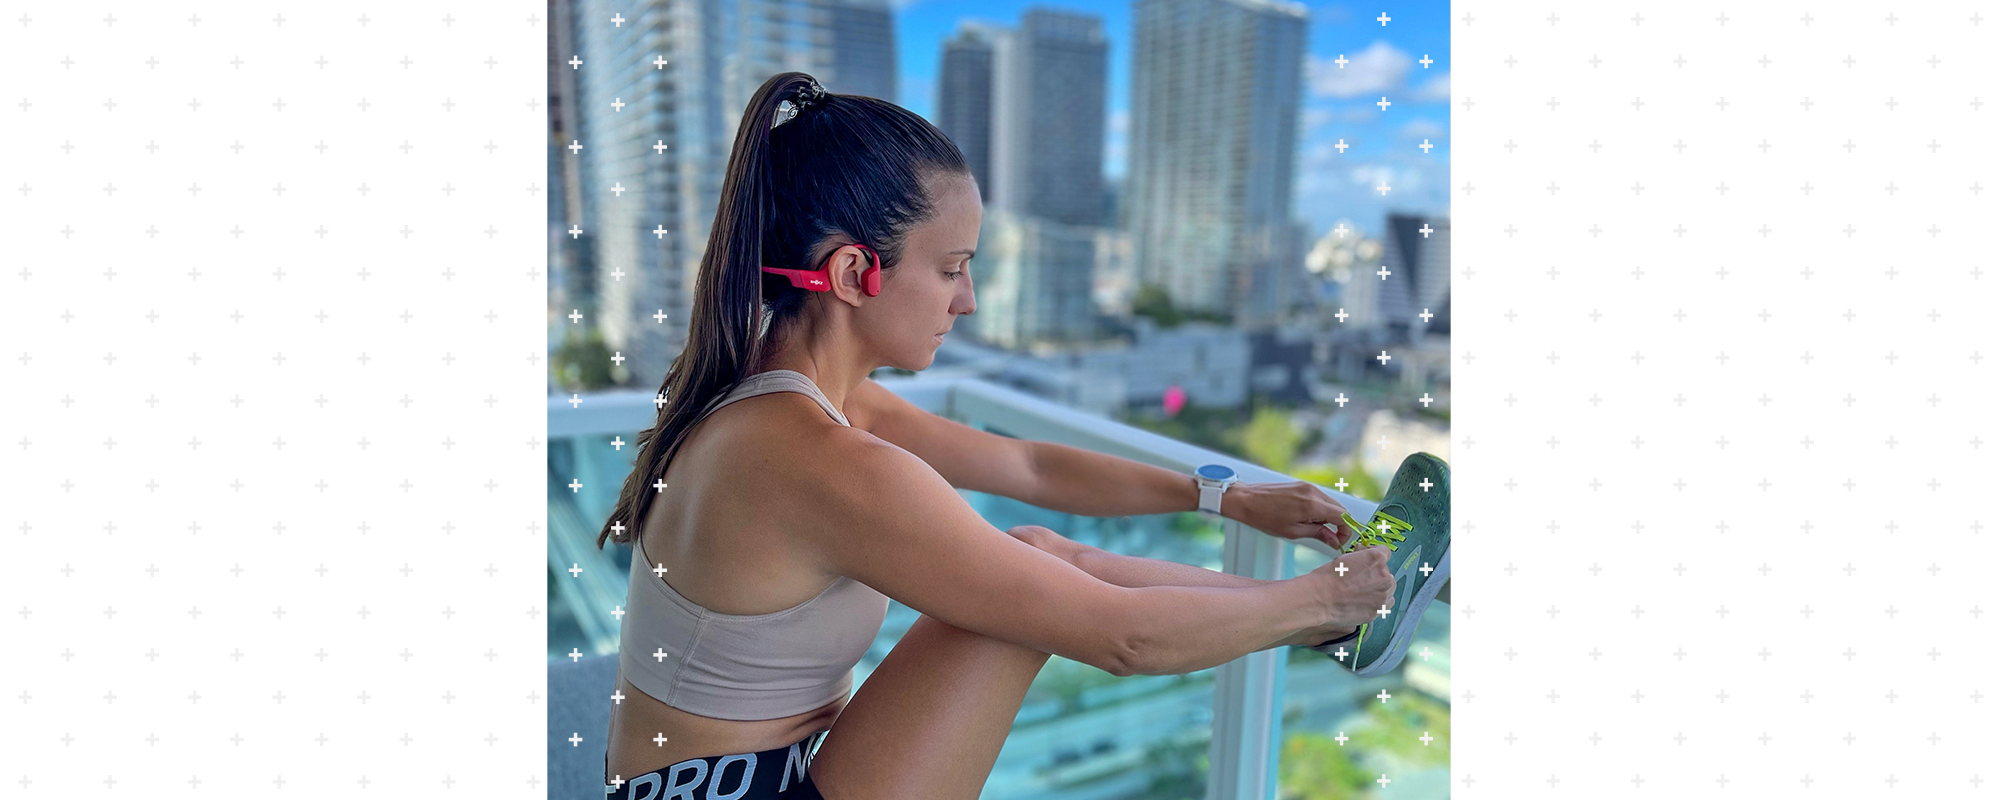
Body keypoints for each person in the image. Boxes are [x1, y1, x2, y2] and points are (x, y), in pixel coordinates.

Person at [592, 72, 1404, 800]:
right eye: (951, 269)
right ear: (852, 275)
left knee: (1039, 554)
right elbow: (1124, 640)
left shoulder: (791, 405)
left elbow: (1028, 464)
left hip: (737, 772)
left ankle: (1334, 618)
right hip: (733, 791)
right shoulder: (820, 460)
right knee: (1029, 595)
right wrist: (1319, 594)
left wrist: (1227, 497)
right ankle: (1334, 608)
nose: (967, 301)